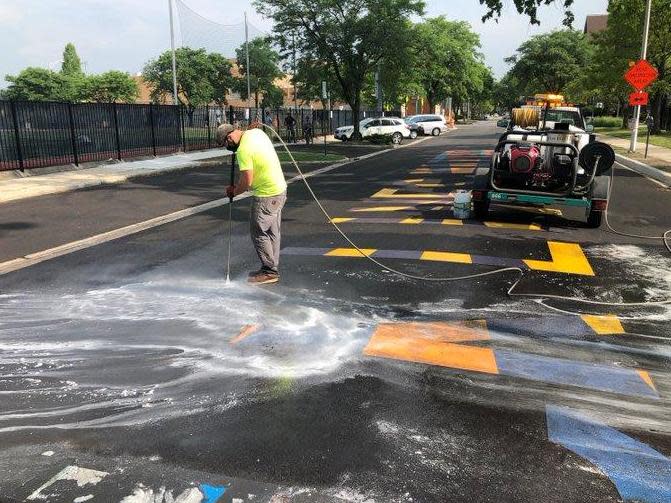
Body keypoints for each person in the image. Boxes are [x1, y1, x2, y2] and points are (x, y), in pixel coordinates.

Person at [216, 123, 287, 285]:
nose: (228, 147)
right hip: (280, 190)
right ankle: (271, 267)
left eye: (226, 144)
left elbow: (246, 181)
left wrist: (234, 191)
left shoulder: (243, 151)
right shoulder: (255, 133)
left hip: (266, 195)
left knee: (258, 230)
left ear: (229, 137)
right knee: (272, 231)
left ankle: (269, 271)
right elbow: (248, 132)